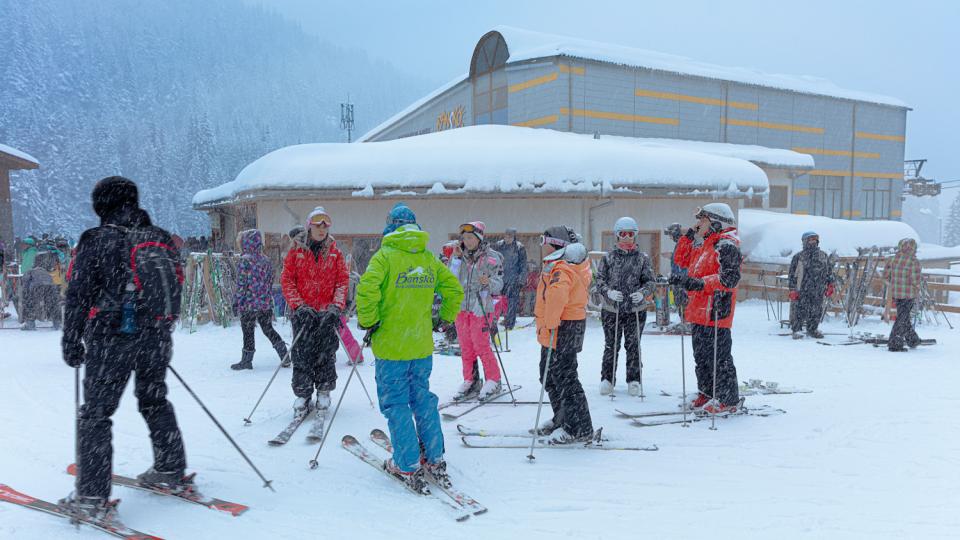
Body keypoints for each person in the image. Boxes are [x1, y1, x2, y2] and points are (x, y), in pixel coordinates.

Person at [59, 176, 187, 519]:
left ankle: (91, 496)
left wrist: (71, 337)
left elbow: (78, 294)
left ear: (102, 205)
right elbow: (178, 281)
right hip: (157, 335)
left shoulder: (97, 239)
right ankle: (170, 468)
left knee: (96, 414)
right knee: (154, 399)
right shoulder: (159, 237)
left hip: (111, 337)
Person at [355, 204, 464, 493]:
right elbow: (454, 289)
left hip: (391, 349)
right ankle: (434, 456)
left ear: (390, 225)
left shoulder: (385, 257)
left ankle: (406, 463)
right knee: (423, 400)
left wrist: (370, 321)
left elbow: (366, 290)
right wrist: (445, 317)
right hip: (420, 347)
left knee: (397, 405)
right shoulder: (428, 258)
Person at [669, 203, 743, 414]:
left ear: (715, 223)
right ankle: (707, 392)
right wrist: (690, 235)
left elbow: (729, 279)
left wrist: (701, 284)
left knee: (719, 359)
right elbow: (681, 259)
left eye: (702, 220)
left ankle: (728, 399)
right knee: (701, 357)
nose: (698, 223)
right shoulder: (706, 245)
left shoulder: (726, 246)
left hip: (716, 311)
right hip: (699, 311)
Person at [280, 207, 350, 416]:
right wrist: (298, 305)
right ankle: (302, 393)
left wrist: (336, 306)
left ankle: (324, 390)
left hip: (326, 314)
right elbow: (287, 280)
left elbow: (342, 282)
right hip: (304, 313)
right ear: (309, 225)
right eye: (317, 224)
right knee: (301, 354)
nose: (322, 228)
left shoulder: (335, 253)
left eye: (326, 224)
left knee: (326, 354)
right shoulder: (296, 251)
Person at [533, 225, 594, 443]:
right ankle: (562, 418)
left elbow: (558, 297)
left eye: (544, 241)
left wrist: (550, 324)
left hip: (564, 326)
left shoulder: (562, 267)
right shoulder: (556, 265)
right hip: (557, 326)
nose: (541, 246)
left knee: (566, 377)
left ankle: (579, 427)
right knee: (548, 374)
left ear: (556, 245)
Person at [594, 217, 656, 396]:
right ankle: (607, 379)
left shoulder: (642, 259)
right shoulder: (608, 258)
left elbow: (651, 281)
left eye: (630, 234)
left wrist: (643, 293)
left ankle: (634, 379)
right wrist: (608, 292)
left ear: (635, 236)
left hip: (635, 311)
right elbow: (599, 280)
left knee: (634, 345)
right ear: (617, 236)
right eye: (623, 234)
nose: (627, 237)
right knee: (611, 345)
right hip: (612, 310)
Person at [449, 221, 504, 401]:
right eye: (464, 238)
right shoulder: (459, 256)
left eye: (471, 237)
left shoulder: (491, 257)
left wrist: (487, 282)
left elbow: (499, 284)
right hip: (461, 308)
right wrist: (456, 259)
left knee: (481, 345)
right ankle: (471, 380)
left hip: (480, 307)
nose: (467, 241)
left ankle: (493, 380)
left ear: (479, 238)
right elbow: (451, 280)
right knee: (466, 347)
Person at [231, 229, 289, 370]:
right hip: (265, 303)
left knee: (248, 331)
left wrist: (236, 302)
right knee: (268, 329)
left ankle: (247, 360)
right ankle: (284, 355)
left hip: (248, 304)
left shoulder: (244, 261)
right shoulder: (266, 260)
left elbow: (241, 285)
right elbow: (270, 281)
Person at [787, 231, 835, 339]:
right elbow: (792, 275)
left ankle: (812, 329)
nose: (813, 242)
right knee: (799, 311)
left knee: (816, 311)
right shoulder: (798, 257)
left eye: (815, 240)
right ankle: (797, 330)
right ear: (805, 242)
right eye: (810, 240)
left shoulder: (823, 256)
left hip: (818, 289)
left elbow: (829, 272)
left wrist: (830, 284)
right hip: (802, 289)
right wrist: (792, 289)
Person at [882, 238, 923, 352]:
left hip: (896, 294)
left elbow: (885, 276)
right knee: (902, 319)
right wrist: (918, 287)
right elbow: (915, 281)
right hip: (908, 295)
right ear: (913, 248)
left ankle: (913, 340)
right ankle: (894, 344)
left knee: (903, 317)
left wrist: (894, 284)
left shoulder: (892, 259)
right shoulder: (914, 262)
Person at [493, 228, 527, 330]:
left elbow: (523, 265)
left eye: (510, 236)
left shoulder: (519, 247)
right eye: (506, 236)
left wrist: (521, 280)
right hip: (500, 278)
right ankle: (494, 321)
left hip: (514, 279)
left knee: (512, 301)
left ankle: (510, 322)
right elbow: (493, 261)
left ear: (514, 237)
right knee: (498, 301)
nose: (507, 238)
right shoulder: (499, 245)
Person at [19, 250, 62, 330]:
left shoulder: (29, 272)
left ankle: (30, 324)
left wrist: (26, 298)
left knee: (29, 303)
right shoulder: (46, 273)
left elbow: (25, 286)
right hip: (49, 287)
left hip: (35, 287)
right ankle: (56, 324)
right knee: (52, 303)